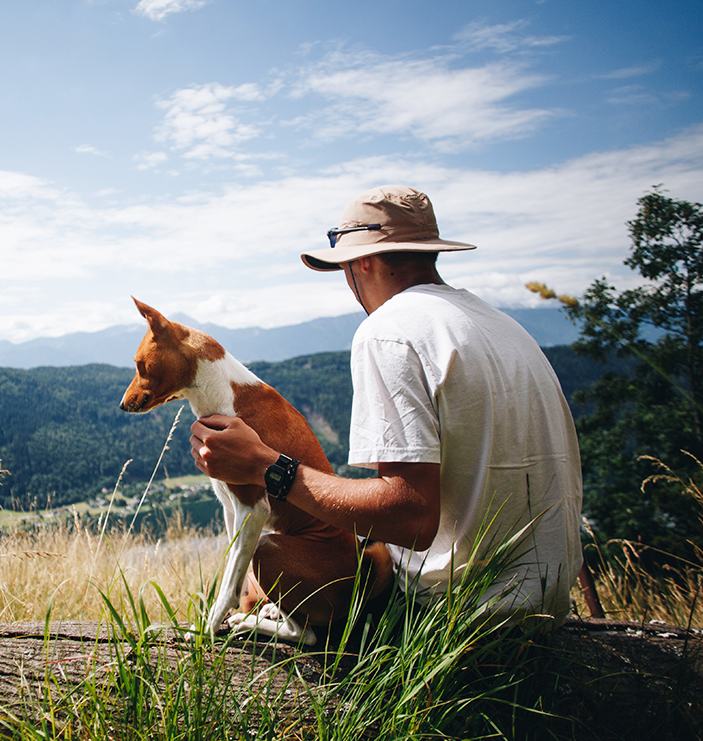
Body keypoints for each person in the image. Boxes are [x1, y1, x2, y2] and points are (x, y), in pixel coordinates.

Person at [190, 185, 583, 628]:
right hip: (544, 607)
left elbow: (409, 516)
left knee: (267, 560)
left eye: (344, 269)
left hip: (447, 617)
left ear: (363, 263)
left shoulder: (390, 331)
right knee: (286, 568)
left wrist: (267, 467)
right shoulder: (507, 327)